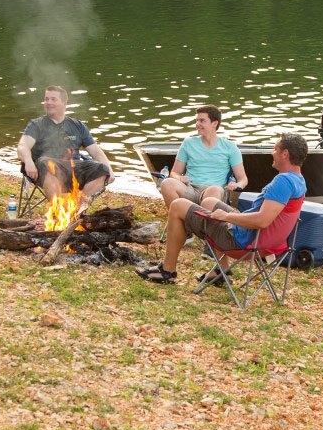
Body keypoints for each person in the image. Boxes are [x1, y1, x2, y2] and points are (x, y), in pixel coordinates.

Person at [137, 133, 307, 284]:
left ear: (285, 154)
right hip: (261, 239)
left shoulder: (282, 182)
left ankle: (167, 271)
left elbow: (262, 221)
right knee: (209, 202)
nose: (272, 153)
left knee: (177, 205)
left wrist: (226, 217)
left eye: (275, 149)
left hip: (242, 241)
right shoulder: (299, 180)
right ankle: (222, 270)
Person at [17, 85, 113, 202]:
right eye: (46, 99)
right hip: (44, 170)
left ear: (64, 103)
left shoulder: (78, 126)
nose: (48, 102)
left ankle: (77, 207)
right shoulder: (37, 125)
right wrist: (28, 161)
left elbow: (96, 151)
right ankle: (57, 208)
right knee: (46, 162)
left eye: (53, 99)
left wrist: (109, 170)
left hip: (73, 169)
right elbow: (23, 146)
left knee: (102, 169)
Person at [159, 105, 248, 207]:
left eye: (202, 121)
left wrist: (236, 185)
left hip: (214, 190)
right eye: (196, 120)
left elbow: (243, 179)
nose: (197, 124)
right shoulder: (188, 143)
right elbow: (174, 172)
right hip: (190, 188)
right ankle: (178, 215)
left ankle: (201, 216)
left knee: (214, 191)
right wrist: (179, 178)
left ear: (214, 123)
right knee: (167, 183)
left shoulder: (230, 147)